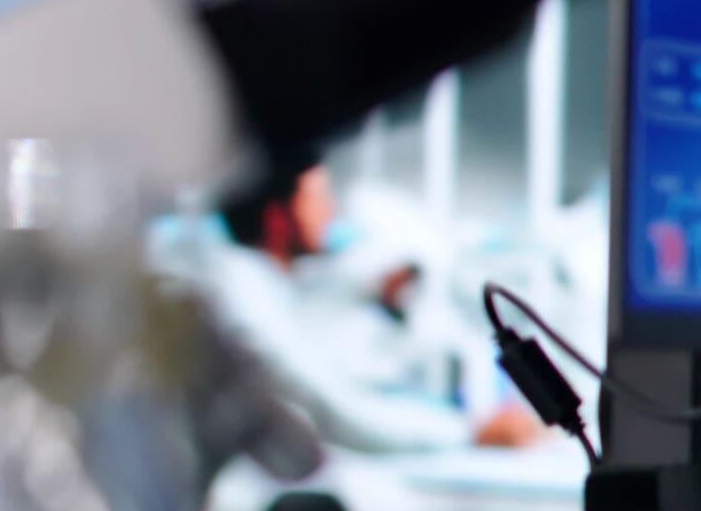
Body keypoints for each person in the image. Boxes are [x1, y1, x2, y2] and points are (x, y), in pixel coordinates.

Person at [168, 164, 545, 453]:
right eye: (317, 199)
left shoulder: (266, 286)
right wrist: (471, 432)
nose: (331, 212)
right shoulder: (242, 291)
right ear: (276, 218)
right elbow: (333, 410)